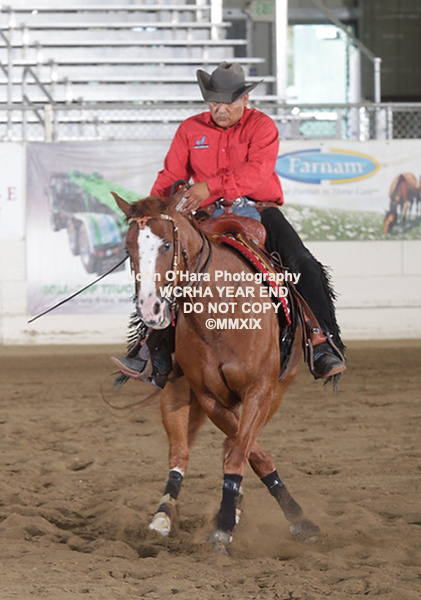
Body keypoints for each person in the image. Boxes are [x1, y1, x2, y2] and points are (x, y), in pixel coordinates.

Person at [112, 62, 345, 387]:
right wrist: (154, 212)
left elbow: (257, 173)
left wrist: (209, 187)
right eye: (213, 103)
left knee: (302, 263)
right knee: (169, 264)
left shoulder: (262, 127)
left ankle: (321, 341)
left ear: (244, 100)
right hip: (205, 213)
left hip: (259, 208)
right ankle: (152, 349)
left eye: (228, 103)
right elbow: (170, 175)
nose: (220, 110)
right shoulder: (190, 129)